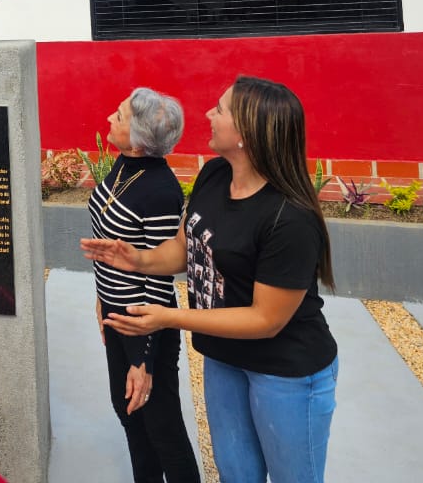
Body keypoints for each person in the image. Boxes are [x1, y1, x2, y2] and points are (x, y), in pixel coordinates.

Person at [83, 76, 338, 483]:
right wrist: (137, 259)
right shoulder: (215, 176)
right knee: (237, 473)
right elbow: (185, 247)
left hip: (285, 372)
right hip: (225, 359)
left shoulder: (289, 218)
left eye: (220, 110)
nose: (207, 114)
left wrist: (169, 318)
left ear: (246, 133)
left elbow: (264, 319)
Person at [85, 88, 200, 483]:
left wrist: (144, 361)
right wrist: (101, 298)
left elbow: (158, 276)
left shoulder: (161, 192)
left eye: (117, 116)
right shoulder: (123, 166)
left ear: (137, 139)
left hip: (146, 322)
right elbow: (110, 250)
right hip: (116, 313)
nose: (108, 120)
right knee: (128, 411)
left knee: (162, 424)